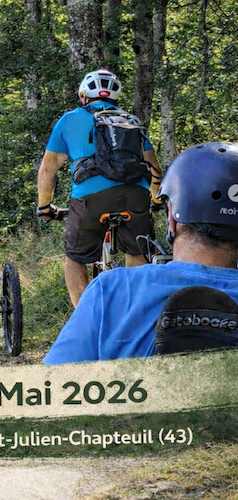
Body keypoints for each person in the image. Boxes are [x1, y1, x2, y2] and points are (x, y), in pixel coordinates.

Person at [43, 142, 238, 365]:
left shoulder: (110, 290)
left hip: (93, 204)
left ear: (172, 217)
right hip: (132, 203)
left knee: (76, 255)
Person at [37, 68, 162, 306]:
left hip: (90, 200)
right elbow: (153, 167)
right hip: (136, 195)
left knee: (75, 258)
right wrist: (155, 200)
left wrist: (45, 206)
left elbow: (47, 170)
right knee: (137, 251)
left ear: (84, 96)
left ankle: (85, 318)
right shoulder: (131, 122)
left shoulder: (70, 119)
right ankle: (135, 313)